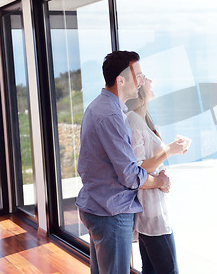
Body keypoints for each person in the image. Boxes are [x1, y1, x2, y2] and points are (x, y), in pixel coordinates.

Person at [76, 50, 172, 274]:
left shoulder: (97, 106)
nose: (140, 81)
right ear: (120, 80)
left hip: (96, 204)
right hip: (111, 211)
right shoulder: (112, 115)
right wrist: (158, 181)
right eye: (137, 75)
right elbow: (130, 175)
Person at [126, 76, 187, 274]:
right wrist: (169, 150)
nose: (151, 79)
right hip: (151, 212)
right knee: (168, 270)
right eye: (145, 78)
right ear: (139, 88)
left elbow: (147, 162)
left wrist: (163, 171)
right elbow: (139, 168)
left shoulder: (142, 117)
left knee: (151, 269)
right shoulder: (134, 119)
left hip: (151, 209)